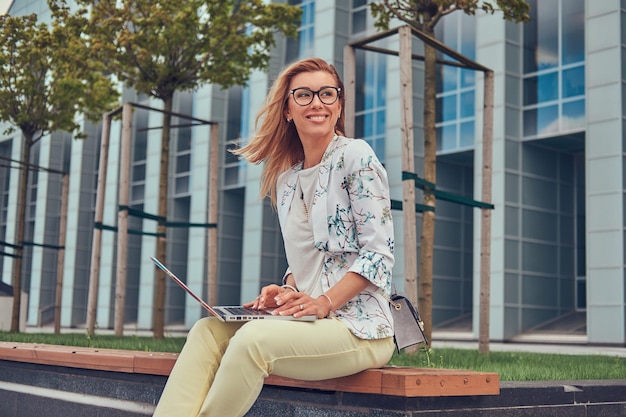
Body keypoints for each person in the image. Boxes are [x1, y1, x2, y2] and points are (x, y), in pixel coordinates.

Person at [153, 57, 395, 417]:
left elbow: (378, 254)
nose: (317, 103)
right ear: (286, 109)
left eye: (327, 94)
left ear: (339, 104)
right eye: (304, 95)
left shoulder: (356, 157)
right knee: (207, 331)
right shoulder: (286, 180)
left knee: (252, 341)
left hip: (360, 329)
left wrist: (325, 302)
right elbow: (310, 260)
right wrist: (286, 288)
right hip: (310, 322)